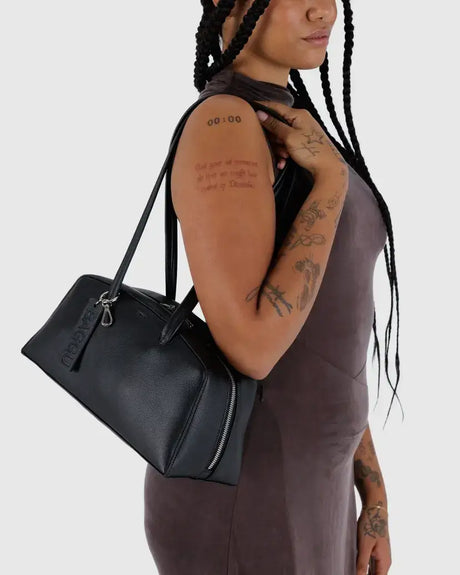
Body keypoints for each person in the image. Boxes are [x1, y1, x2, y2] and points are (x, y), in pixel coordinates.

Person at [144, 1, 401, 573]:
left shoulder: (290, 121)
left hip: (315, 484)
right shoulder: (226, 125)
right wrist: (329, 181)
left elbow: (327, 343)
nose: (323, 9)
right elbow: (253, 348)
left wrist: (373, 492)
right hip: (249, 492)